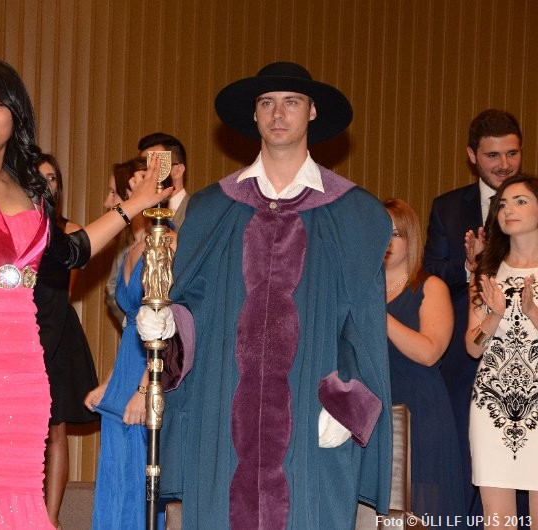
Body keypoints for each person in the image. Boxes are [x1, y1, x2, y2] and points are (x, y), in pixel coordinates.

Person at [0, 59, 171, 529]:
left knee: (19, 496)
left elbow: (73, 252)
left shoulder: (33, 189)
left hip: (22, 375)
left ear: (16, 114)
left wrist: (136, 204)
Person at [136, 61, 392, 529]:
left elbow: (365, 329)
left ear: (312, 112)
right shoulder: (214, 208)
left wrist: (347, 404)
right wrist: (170, 325)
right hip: (223, 411)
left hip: (311, 410)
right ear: (253, 115)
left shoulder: (353, 213)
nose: (278, 113)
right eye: (266, 102)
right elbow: (194, 306)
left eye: (291, 102)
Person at [424, 109, 523, 518]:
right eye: (492, 155)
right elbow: (431, 272)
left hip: (528, 360)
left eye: (512, 153)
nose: (504, 164)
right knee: (469, 465)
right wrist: (470, 267)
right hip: (469, 359)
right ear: (472, 156)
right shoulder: (447, 208)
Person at [84, 157, 162, 530]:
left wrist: (146, 389)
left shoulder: (163, 243)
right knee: (115, 480)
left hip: (148, 376)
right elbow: (133, 325)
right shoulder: (131, 249)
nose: (107, 203)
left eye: (115, 194)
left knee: (137, 481)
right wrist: (111, 381)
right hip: (126, 374)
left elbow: (167, 323)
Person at [383, 198, 466, 526]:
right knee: (376, 515)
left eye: (395, 234)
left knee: (421, 513)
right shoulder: (358, 289)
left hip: (419, 409)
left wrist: (380, 316)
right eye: (379, 232)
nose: (386, 241)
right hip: (372, 410)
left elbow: (430, 352)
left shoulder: (431, 287)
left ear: (411, 239)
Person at [465, 174, 538, 530]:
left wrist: (533, 314)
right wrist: (494, 317)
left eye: (521, 201)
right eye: (503, 204)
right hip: (492, 405)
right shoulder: (487, 271)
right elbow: (472, 347)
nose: (509, 210)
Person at [34, 153, 99, 528]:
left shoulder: (69, 230)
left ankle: (51, 518)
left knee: (55, 427)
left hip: (56, 328)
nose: (46, 184)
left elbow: (65, 291)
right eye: (39, 177)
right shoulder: (10, 224)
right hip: (16, 330)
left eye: (52, 178)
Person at [105, 133, 188, 327]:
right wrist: (133, 323)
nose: (149, 173)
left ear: (177, 170)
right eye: (145, 165)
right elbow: (112, 286)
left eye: (156, 165)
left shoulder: (198, 214)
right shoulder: (130, 231)